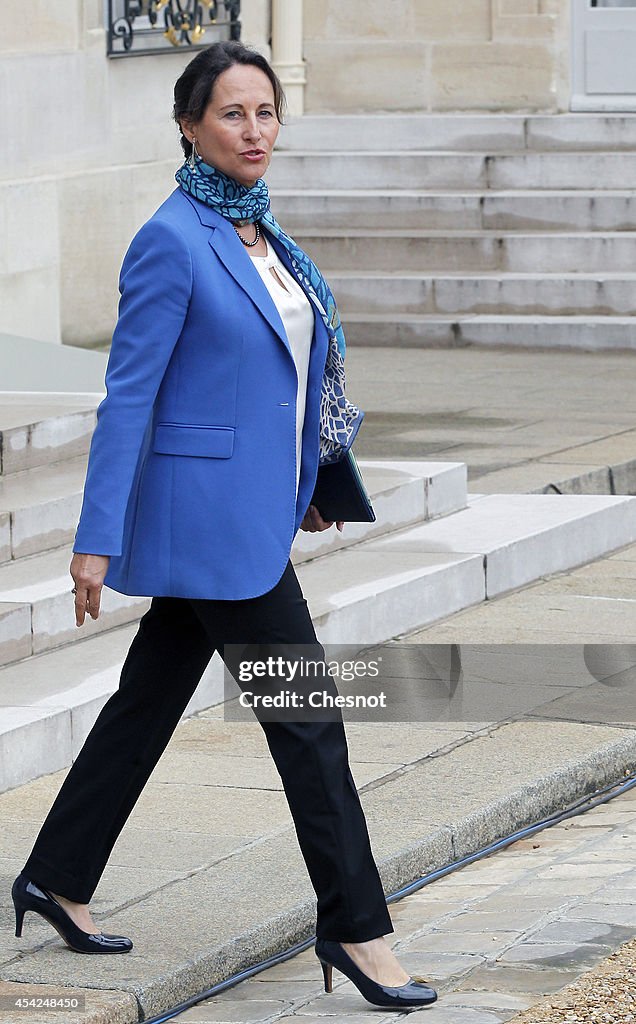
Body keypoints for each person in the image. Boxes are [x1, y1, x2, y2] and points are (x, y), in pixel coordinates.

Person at [11, 42, 437, 1010]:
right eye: (234, 114)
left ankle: (56, 875)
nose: (255, 131)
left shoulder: (262, 235)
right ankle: (358, 929)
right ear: (189, 126)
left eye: (267, 112)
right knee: (311, 721)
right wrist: (94, 536)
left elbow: (280, 380)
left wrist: (310, 478)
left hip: (250, 514)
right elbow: (130, 399)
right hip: (209, 531)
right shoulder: (172, 238)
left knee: (147, 702)